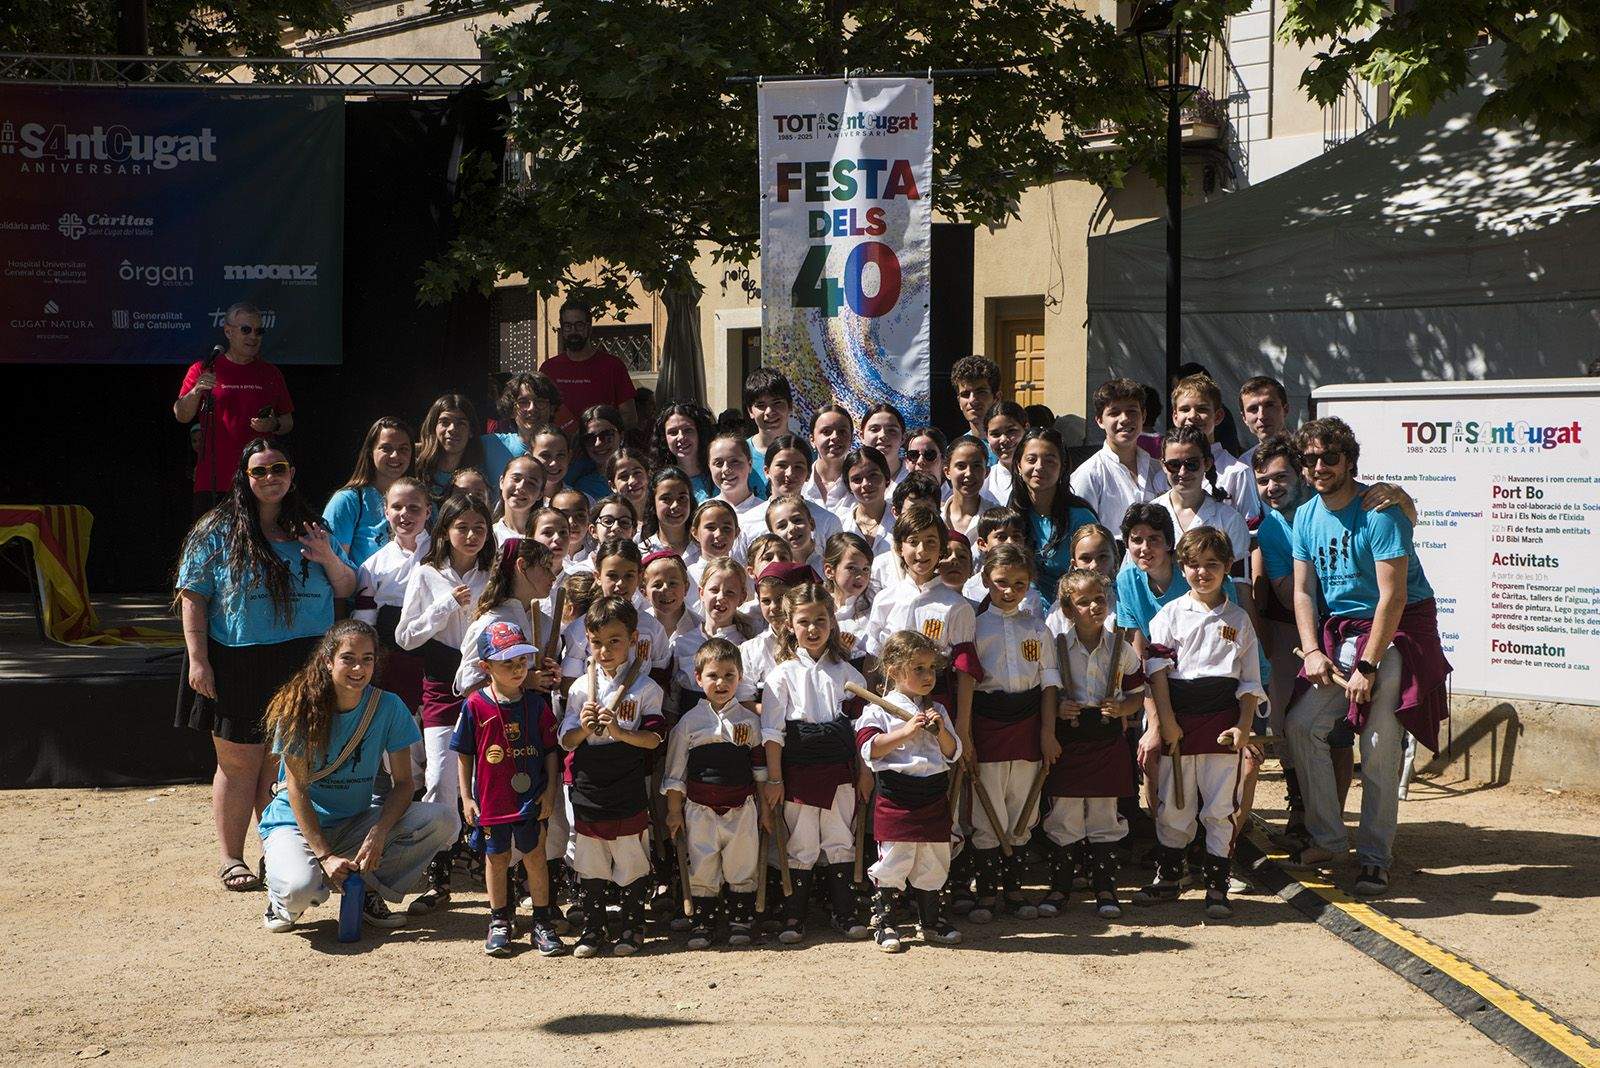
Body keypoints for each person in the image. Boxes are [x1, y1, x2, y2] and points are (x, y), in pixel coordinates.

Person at [176, 438, 356, 893]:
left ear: (292, 473)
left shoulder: (312, 528)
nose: (270, 478)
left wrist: (327, 556)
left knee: (283, 767)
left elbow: (346, 586)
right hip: (239, 658)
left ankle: (276, 854)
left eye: (279, 468)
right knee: (239, 766)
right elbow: (193, 596)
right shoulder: (217, 529)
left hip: (302, 658)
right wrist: (198, 661)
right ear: (245, 477)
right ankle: (231, 858)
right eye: (260, 471)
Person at [1284, 418, 1450, 897]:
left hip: (1393, 635)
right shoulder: (1306, 515)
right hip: (1341, 638)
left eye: (1329, 457)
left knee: (1378, 746)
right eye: (1310, 459)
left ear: (1349, 460)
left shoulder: (1381, 510)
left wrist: (1369, 666)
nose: (1319, 467)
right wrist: (1313, 649)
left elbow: (1392, 598)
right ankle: (1329, 840)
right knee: (1301, 726)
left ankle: (1375, 858)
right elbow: (1301, 591)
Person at [258, 620, 456, 934]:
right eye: (348, 658)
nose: (358, 668)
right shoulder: (299, 708)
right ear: (327, 661)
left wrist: (379, 832)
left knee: (442, 818)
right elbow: (296, 789)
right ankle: (282, 893)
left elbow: (404, 783)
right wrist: (324, 856)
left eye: (367, 659)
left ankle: (366, 890)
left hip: (353, 821)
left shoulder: (388, 706)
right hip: (296, 823)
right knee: (300, 889)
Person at [1137, 528, 1264, 920]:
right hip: (1180, 724)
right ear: (1181, 566)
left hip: (1223, 724)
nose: (1202, 573)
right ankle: (1170, 876)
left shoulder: (1239, 619)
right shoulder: (1169, 616)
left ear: (1228, 567)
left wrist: (1243, 727)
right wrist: (1167, 724)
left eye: (1212, 565)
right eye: (1193, 565)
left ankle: (1217, 884)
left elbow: (1248, 682)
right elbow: (1156, 672)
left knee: (1219, 806)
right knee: (1176, 803)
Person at [394, 491, 496, 913]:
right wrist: (442, 606)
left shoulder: (494, 574)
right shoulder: (426, 574)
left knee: (490, 774)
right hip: (440, 684)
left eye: (479, 527)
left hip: (486, 684)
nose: (471, 535)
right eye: (462, 527)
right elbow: (405, 637)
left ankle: (491, 864)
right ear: (445, 531)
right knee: (440, 778)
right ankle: (440, 874)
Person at [760, 581, 870, 944]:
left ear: (832, 621)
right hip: (799, 772)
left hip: (840, 770)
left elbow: (861, 732)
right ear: (789, 624)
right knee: (802, 843)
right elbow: (773, 733)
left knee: (840, 838)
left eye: (820, 619)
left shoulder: (850, 676)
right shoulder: (780, 676)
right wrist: (775, 781)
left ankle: (844, 911)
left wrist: (865, 773)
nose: (812, 628)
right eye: (804, 621)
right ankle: (795, 915)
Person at [560, 596, 666, 957]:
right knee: (590, 859)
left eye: (614, 641)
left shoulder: (646, 688)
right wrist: (582, 729)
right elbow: (566, 740)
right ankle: (593, 930)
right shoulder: (578, 689)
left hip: (627, 780)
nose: (605, 650)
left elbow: (653, 739)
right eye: (597, 642)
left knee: (630, 856)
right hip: (590, 782)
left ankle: (633, 929)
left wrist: (620, 732)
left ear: (634, 639)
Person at [453, 620, 566, 957]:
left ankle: (542, 922)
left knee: (535, 856)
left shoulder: (536, 704)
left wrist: (549, 793)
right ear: (486, 667)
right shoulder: (475, 705)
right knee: (497, 858)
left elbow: (550, 752)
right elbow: (464, 755)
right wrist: (467, 798)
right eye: (508, 663)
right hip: (493, 799)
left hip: (531, 796)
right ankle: (500, 920)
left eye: (521, 662)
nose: (518, 670)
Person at [964, 543, 1060, 922]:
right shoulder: (973, 624)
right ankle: (986, 893)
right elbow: (968, 683)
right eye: (1001, 582)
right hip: (988, 723)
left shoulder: (1037, 626)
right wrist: (966, 733)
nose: (1009, 590)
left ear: (1029, 584)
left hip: (1028, 722)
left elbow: (1049, 684)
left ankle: (1015, 890)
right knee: (989, 808)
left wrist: (1048, 733)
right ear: (986, 579)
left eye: (1019, 584)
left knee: (1023, 807)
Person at [1041, 568, 1145, 919]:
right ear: (1068, 611)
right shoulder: (1055, 648)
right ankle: (1060, 888)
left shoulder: (1122, 648)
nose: (1093, 607)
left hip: (1105, 738)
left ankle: (1105, 888)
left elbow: (1137, 694)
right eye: (1082, 602)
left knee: (1104, 815)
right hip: (1070, 739)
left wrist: (1124, 708)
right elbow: (1046, 692)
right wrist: (1058, 708)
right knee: (1065, 814)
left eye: (1099, 599)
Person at [857, 629, 963, 952]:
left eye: (931, 668)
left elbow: (953, 752)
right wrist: (905, 731)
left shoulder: (939, 711)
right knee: (895, 859)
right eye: (918, 668)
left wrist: (940, 731)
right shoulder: (879, 709)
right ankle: (885, 923)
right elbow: (869, 749)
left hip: (933, 794)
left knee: (933, 859)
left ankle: (930, 922)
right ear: (893, 669)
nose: (928, 675)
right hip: (897, 795)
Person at [661, 637, 767, 949]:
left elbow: (759, 768)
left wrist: (764, 807)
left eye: (729, 675)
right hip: (699, 809)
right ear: (698, 678)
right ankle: (704, 924)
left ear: (740, 677)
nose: (721, 682)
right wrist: (673, 811)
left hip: (742, 807)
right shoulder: (688, 722)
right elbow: (675, 773)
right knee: (703, 863)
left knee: (741, 863)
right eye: (713, 676)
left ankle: (740, 921)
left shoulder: (749, 720)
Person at [173, 302, 295, 513]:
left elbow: (288, 422)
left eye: (259, 331)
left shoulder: (270, 373)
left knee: (258, 543)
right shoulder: (204, 369)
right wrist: (195, 392)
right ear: (228, 331)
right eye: (246, 329)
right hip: (213, 480)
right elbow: (182, 415)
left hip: (258, 479)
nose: (253, 336)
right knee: (211, 544)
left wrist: (273, 423)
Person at [351, 476, 432, 724]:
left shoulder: (443, 552)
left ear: (428, 511)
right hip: (395, 660)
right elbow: (366, 619)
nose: (405, 513)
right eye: (397, 507)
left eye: (414, 507)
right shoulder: (373, 565)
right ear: (386, 512)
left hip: (437, 656)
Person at [1009, 427, 1098, 608]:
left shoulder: (1080, 518)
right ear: (1019, 465)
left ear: (1062, 467)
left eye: (1050, 461)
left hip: (1074, 612)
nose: (1039, 467)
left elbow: (1099, 571)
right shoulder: (1012, 514)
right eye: (1031, 460)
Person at [1070, 378, 1167, 536]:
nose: (1124, 419)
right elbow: (1080, 536)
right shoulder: (1088, 475)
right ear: (1100, 421)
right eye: (1114, 413)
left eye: (1131, 411)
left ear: (1143, 416)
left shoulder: (1158, 469)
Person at [1156, 425, 1252, 578]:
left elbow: (1240, 582)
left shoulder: (1229, 520)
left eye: (1191, 464)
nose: (1182, 472)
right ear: (1163, 465)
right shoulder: (1151, 514)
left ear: (1207, 463)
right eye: (1173, 465)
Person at [323, 417, 417, 567]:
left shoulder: (423, 502)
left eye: (403, 449)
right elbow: (333, 567)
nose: (395, 455)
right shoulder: (347, 501)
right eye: (386, 448)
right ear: (370, 452)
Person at [1170, 374, 1260, 522]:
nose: (1192, 416)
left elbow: (1250, 531)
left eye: (1202, 409)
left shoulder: (1237, 472)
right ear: (1174, 416)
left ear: (1218, 416)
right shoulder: (1165, 472)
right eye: (1185, 409)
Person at [541, 298, 638, 428]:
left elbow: (629, 417)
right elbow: (539, 413)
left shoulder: (613, 366)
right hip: (560, 446)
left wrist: (604, 437)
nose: (573, 331)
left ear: (589, 327)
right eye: (568, 326)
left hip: (601, 444)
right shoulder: (548, 369)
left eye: (579, 325)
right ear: (562, 327)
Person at [481, 371, 566, 485]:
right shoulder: (488, 445)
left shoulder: (564, 451)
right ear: (511, 410)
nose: (532, 408)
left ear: (552, 409)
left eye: (539, 402)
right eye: (523, 402)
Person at [414, 393, 485, 505]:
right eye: (445, 422)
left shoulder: (475, 480)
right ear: (434, 427)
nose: (452, 429)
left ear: (471, 431)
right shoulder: (414, 467)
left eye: (461, 423)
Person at [833, 445, 896, 561]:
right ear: (849, 485)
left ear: (886, 477)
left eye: (873, 475)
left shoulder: (901, 519)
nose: (866, 484)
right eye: (857, 479)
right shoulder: (839, 525)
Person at [744, 368, 796, 498]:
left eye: (777, 403)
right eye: (761, 405)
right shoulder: (740, 453)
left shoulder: (807, 453)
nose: (769, 411)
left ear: (790, 405)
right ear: (750, 411)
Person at [654, 402, 716, 502]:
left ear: (699, 433)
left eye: (688, 430)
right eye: (673, 432)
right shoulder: (659, 483)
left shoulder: (719, 476)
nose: (681, 437)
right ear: (664, 439)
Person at [568, 405, 627, 500]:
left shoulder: (641, 475)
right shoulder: (583, 488)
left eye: (607, 435)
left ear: (621, 436)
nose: (598, 443)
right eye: (589, 438)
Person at [805, 404, 855, 509]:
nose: (835, 437)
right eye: (826, 431)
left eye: (842, 431)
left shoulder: (860, 485)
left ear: (851, 439)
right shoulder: (799, 483)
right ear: (812, 439)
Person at [1238, 375, 1290, 468]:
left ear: (1285, 410)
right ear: (1244, 418)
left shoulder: (1306, 455)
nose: (1262, 416)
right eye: (1253, 409)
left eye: (1269, 405)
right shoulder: (1243, 465)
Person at [949, 355, 1001, 450]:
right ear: (959, 402)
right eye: (965, 394)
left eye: (981, 392)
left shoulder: (1017, 449)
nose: (972, 400)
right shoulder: (954, 453)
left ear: (997, 398)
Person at [982, 400, 1028, 504]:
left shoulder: (1042, 475)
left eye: (1011, 431)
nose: (1003, 439)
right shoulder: (983, 482)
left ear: (1026, 428)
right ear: (987, 436)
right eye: (995, 434)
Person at [861, 403, 909, 488]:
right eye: (874, 429)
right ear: (862, 436)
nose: (883, 435)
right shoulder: (849, 480)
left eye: (891, 430)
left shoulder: (913, 479)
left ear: (903, 438)